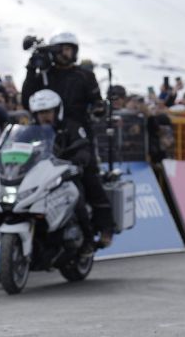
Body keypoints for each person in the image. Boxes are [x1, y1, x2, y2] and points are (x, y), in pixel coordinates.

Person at [21, 31, 115, 247]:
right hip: (47, 134)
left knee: (88, 177)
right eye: (63, 49)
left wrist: (99, 108)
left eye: (71, 49)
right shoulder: (44, 75)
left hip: (78, 134)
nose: (67, 53)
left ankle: (104, 226)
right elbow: (27, 99)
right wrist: (31, 69)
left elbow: (96, 102)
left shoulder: (84, 75)